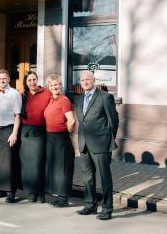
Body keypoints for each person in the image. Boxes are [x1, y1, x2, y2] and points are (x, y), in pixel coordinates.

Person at [75, 71, 119, 221]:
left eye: (88, 79)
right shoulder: (78, 98)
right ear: (80, 82)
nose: (85, 82)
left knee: (104, 177)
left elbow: (114, 120)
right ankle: (90, 204)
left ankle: (107, 208)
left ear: (94, 80)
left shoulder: (105, 97)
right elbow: (83, 121)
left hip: (101, 143)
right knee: (87, 177)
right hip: (84, 143)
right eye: (83, 80)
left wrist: (109, 139)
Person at [0, 69, 21, 203]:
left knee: (9, 163)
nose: (2, 80)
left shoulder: (15, 94)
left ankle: (10, 192)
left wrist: (14, 133)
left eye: (4, 78)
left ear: (8, 79)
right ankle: (0, 189)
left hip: (8, 130)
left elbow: (17, 115)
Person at [44, 74, 76, 207]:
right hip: (51, 137)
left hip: (61, 137)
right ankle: (59, 195)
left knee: (62, 168)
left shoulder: (64, 100)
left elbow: (72, 120)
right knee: (56, 168)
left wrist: (67, 132)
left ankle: (64, 198)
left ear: (60, 85)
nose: (54, 87)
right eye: (51, 85)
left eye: (56, 84)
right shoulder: (52, 99)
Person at [19, 71, 51, 203]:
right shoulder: (22, 96)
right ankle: (31, 192)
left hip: (40, 131)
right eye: (29, 80)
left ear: (37, 80)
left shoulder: (46, 93)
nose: (32, 82)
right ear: (26, 83)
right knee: (27, 164)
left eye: (34, 79)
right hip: (26, 132)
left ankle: (40, 192)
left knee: (38, 163)